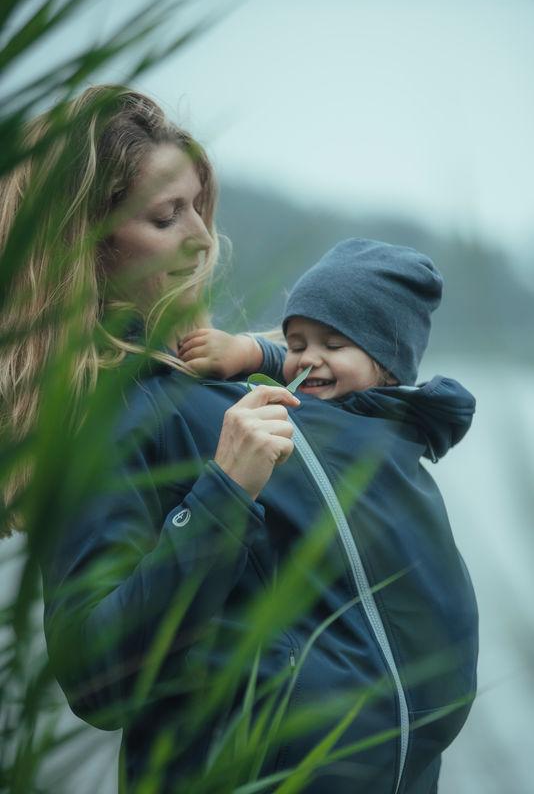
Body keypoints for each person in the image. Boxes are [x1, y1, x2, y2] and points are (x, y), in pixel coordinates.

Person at [1, 86, 478, 794]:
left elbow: (429, 408)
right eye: (167, 216)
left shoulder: (204, 373)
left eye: (198, 203)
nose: (201, 236)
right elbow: (94, 675)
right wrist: (223, 492)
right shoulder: (104, 419)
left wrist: (260, 353)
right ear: (86, 245)